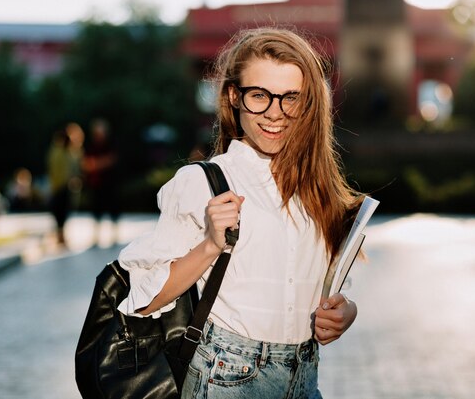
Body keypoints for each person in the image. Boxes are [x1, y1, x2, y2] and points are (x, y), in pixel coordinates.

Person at [116, 27, 365, 398]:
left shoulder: (319, 190)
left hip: (304, 379)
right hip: (227, 379)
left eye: (290, 98)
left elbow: (330, 289)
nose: (275, 113)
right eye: (259, 96)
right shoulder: (205, 182)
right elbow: (143, 300)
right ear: (234, 96)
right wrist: (210, 246)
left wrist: (345, 313)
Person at [82, 118, 120, 246]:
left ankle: (114, 235)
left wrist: (96, 164)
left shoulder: (111, 144)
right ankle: (96, 237)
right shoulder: (90, 145)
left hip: (110, 183)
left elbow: (112, 160)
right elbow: (85, 163)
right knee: (96, 209)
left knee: (112, 208)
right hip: (95, 183)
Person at [46, 129, 75, 246]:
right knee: (60, 213)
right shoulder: (60, 153)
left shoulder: (58, 151)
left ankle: (60, 236)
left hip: (60, 186)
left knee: (60, 213)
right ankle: (60, 236)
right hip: (60, 186)